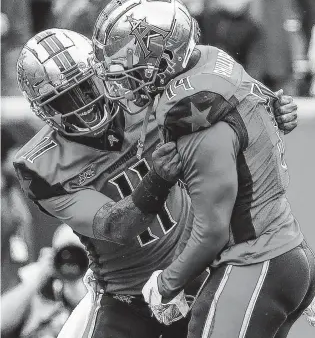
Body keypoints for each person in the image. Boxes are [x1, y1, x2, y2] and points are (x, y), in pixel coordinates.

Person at [14, 27, 296, 338]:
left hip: (200, 271)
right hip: (127, 296)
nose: (85, 104)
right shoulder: (41, 168)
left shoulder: (140, 94)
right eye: (65, 100)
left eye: (87, 86)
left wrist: (271, 109)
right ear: (44, 111)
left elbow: (224, 102)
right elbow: (116, 227)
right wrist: (157, 180)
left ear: (101, 74)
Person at [91, 0, 315, 337]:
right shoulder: (209, 60)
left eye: (129, 56)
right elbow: (269, 105)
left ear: (161, 57)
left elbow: (212, 231)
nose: (120, 71)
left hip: (255, 262)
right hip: (285, 250)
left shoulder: (195, 118)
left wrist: (165, 284)